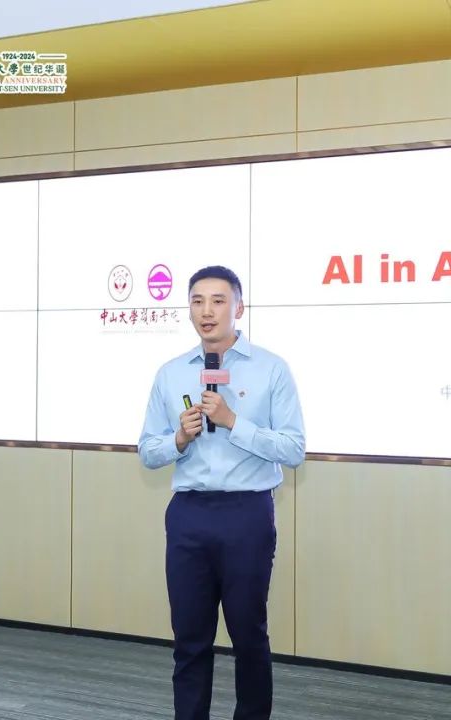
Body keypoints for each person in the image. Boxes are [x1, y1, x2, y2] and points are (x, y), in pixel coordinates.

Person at [138, 265, 305, 720]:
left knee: (248, 636)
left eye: (217, 300)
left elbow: (293, 449)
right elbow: (148, 452)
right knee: (189, 639)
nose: (206, 311)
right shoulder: (171, 374)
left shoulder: (271, 369)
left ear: (239, 308)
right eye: (197, 301)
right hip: (189, 514)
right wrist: (178, 439)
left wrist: (234, 422)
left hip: (247, 514)